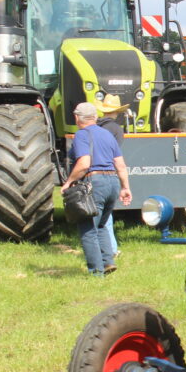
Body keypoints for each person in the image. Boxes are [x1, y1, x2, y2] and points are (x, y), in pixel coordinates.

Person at [62, 101, 132, 275]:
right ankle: (108, 262)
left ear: (77, 118)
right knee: (100, 225)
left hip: (95, 181)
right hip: (113, 182)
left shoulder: (81, 135)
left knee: (88, 229)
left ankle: (96, 272)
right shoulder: (108, 134)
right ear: (95, 117)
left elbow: (84, 164)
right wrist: (125, 188)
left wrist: (68, 182)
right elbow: (121, 165)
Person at [93, 94, 130, 258]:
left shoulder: (94, 127)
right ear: (117, 112)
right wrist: (125, 185)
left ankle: (104, 248)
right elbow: (116, 156)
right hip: (109, 172)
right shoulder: (116, 129)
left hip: (91, 172)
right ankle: (110, 249)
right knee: (106, 216)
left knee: (97, 213)